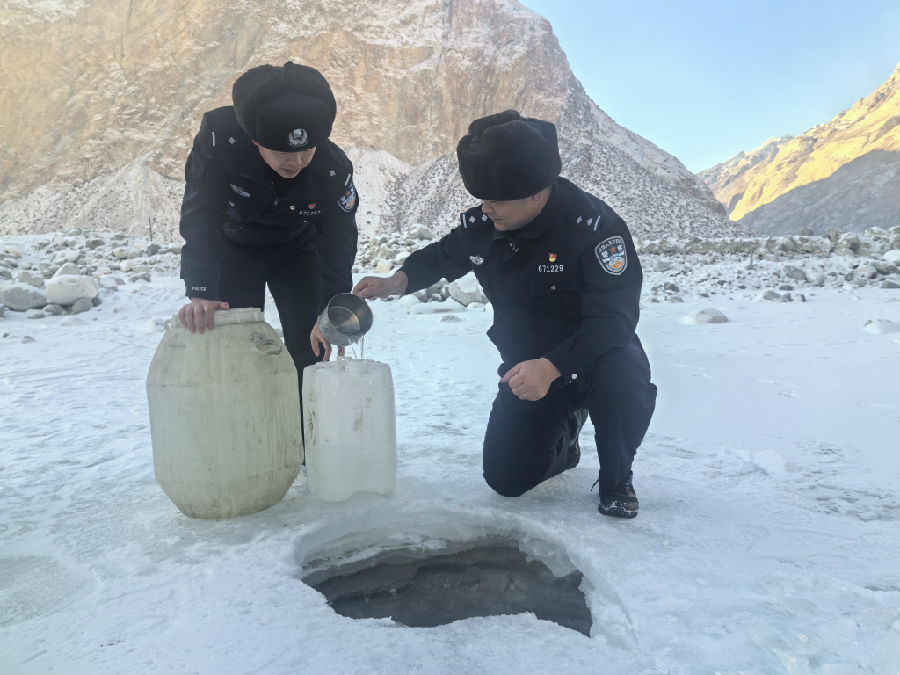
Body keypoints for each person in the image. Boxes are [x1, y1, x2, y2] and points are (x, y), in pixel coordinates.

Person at [354, 110, 657, 518]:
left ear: (537, 192)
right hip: (526, 367)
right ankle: (565, 439)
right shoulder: (485, 223)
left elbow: (614, 321)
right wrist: (396, 281)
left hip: (594, 359)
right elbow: (444, 254)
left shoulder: (594, 229)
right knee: (507, 480)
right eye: (482, 199)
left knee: (624, 377)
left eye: (496, 201)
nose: (486, 208)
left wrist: (553, 367)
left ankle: (617, 477)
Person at [177, 61, 358, 384]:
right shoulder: (220, 141)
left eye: (307, 150)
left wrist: (332, 306)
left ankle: (306, 430)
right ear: (255, 141)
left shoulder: (332, 168)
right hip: (234, 251)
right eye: (283, 152)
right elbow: (201, 212)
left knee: (313, 345)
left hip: (297, 251)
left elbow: (339, 240)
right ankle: (247, 431)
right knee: (239, 351)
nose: (297, 162)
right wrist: (200, 289)